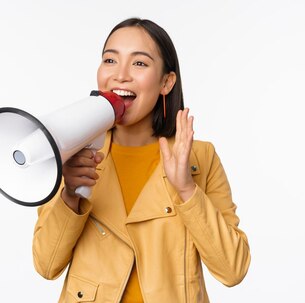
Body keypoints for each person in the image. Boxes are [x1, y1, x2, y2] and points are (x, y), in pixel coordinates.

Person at [32, 18, 251, 303]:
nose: (120, 75)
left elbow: (232, 270)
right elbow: (47, 266)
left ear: (166, 82)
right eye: (110, 60)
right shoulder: (73, 152)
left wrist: (187, 190)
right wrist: (70, 195)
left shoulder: (201, 158)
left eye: (139, 64)